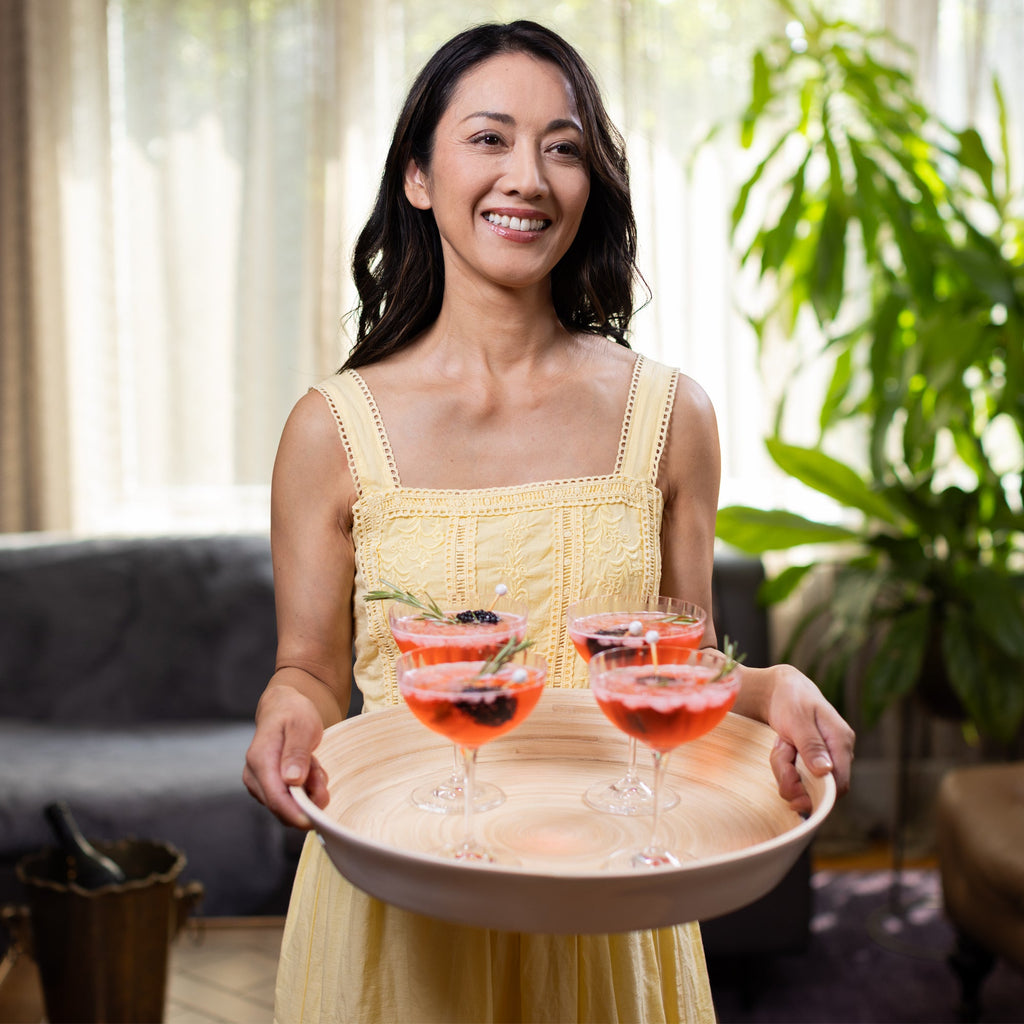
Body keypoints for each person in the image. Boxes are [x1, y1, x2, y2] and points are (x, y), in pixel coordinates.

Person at [243, 19, 855, 1023]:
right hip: (401, 905)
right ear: (417, 178)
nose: (527, 175)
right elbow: (308, 668)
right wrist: (287, 715)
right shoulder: (329, 428)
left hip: (611, 912)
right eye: (488, 138)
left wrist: (771, 685)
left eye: (561, 146)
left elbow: (673, 671)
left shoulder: (671, 416)